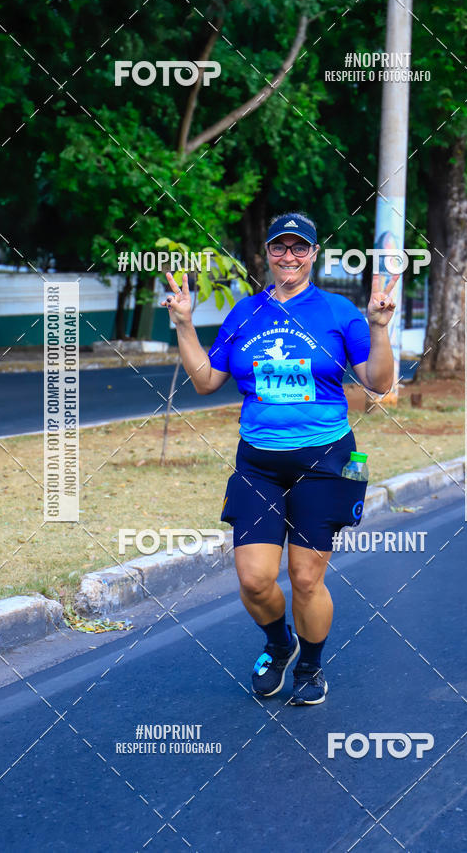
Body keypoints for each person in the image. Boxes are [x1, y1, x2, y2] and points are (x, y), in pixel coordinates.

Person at [162, 212, 396, 704]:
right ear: (266, 253)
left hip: (324, 460)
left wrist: (378, 328)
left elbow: (379, 381)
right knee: (253, 580)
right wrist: (183, 325)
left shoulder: (338, 312)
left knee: (306, 579)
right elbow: (206, 381)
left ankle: (311, 666)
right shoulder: (245, 314)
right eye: (279, 247)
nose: (289, 256)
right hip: (259, 462)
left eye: (300, 247)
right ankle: (279, 642)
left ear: (314, 254)